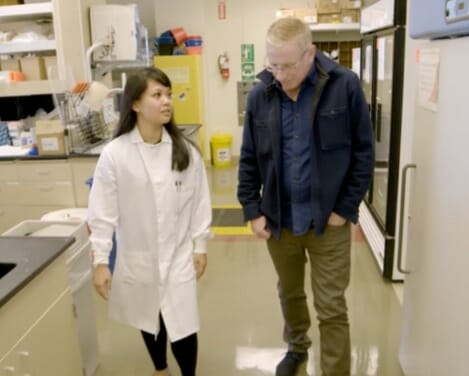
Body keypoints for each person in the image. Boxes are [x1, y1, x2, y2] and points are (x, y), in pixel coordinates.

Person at [237, 17, 374, 376]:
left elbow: (363, 153)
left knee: (331, 306)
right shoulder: (260, 95)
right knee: (291, 294)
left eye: (287, 65)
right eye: (273, 65)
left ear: (310, 53)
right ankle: (297, 348)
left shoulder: (344, 86)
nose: (279, 75)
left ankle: (335, 371)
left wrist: (344, 209)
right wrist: (253, 210)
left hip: (328, 221)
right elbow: (249, 157)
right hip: (280, 220)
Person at [87, 67, 212, 376]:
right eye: (157, 95)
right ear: (136, 104)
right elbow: (101, 213)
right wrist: (101, 261)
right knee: (149, 315)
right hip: (139, 252)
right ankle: (160, 369)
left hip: (179, 252)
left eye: (168, 94)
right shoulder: (115, 155)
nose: (167, 101)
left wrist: (200, 245)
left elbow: (199, 202)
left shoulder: (186, 152)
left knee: (183, 322)